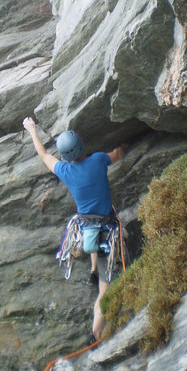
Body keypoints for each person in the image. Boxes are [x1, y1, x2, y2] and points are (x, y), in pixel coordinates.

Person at [22, 116, 125, 341]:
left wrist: (31, 129)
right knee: (104, 291)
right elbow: (116, 155)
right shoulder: (98, 160)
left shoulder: (64, 171)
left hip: (85, 229)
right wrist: (121, 148)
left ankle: (93, 270)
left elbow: (43, 155)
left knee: (92, 233)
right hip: (107, 231)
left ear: (65, 155)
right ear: (81, 145)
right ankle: (95, 333)